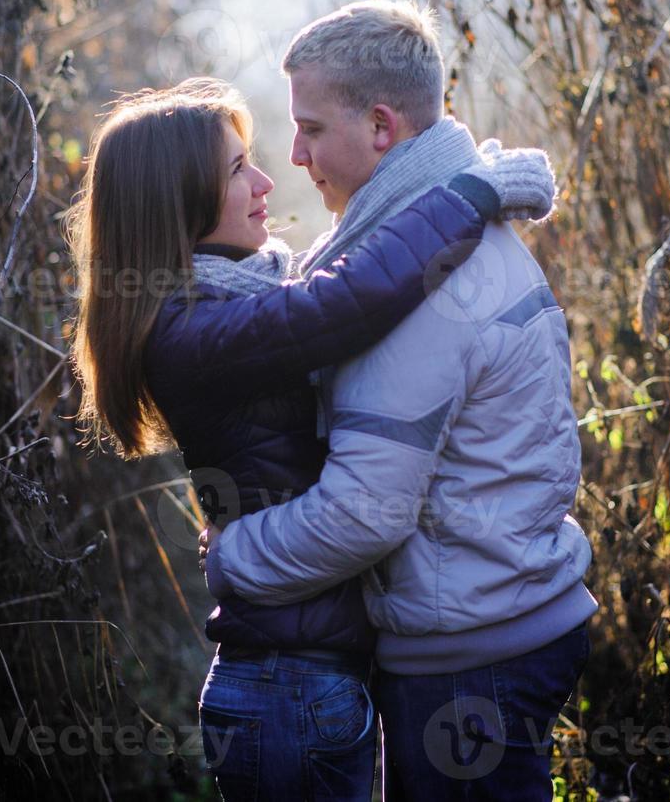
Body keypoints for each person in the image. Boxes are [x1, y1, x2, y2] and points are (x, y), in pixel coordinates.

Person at [65, 76, 556, 802]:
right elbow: (346, 300)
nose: (266, 180)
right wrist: (467, 196)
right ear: (177, 199)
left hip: (306, 682)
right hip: (284, 688)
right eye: (236, 170)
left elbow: (329, 293)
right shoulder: (192, 332)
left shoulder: (232, 300)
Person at [199, 0, 598, 802]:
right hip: (498, 626)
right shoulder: (434, 237)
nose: (296, 154)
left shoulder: (423, 291)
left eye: (310, 128)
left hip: (468, 661)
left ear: (380, 127)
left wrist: (230, 556)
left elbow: (363, 514)